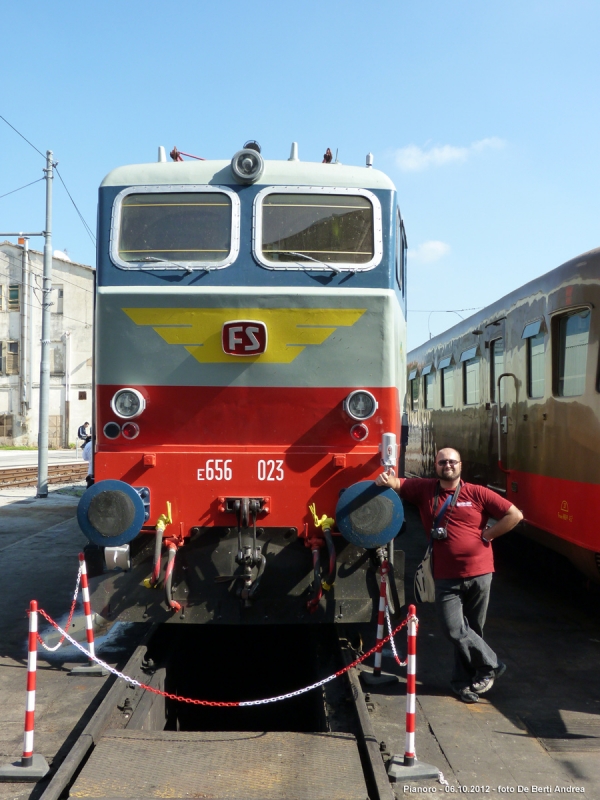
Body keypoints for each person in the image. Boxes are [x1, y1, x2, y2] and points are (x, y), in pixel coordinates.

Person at [376, 447, 523, 704]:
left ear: (460, 465)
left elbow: (515, 515)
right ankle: (492, 664)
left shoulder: (477, 492)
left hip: (480, 573)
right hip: (445, 575)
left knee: (472, 630)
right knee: (454, 628)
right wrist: (382, 479)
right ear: (436, 465)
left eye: (452, 461)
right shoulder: (424, 489)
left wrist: (488, 535)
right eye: (443, 462)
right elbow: (396, 482)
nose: (448, 465)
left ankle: (463, 683)